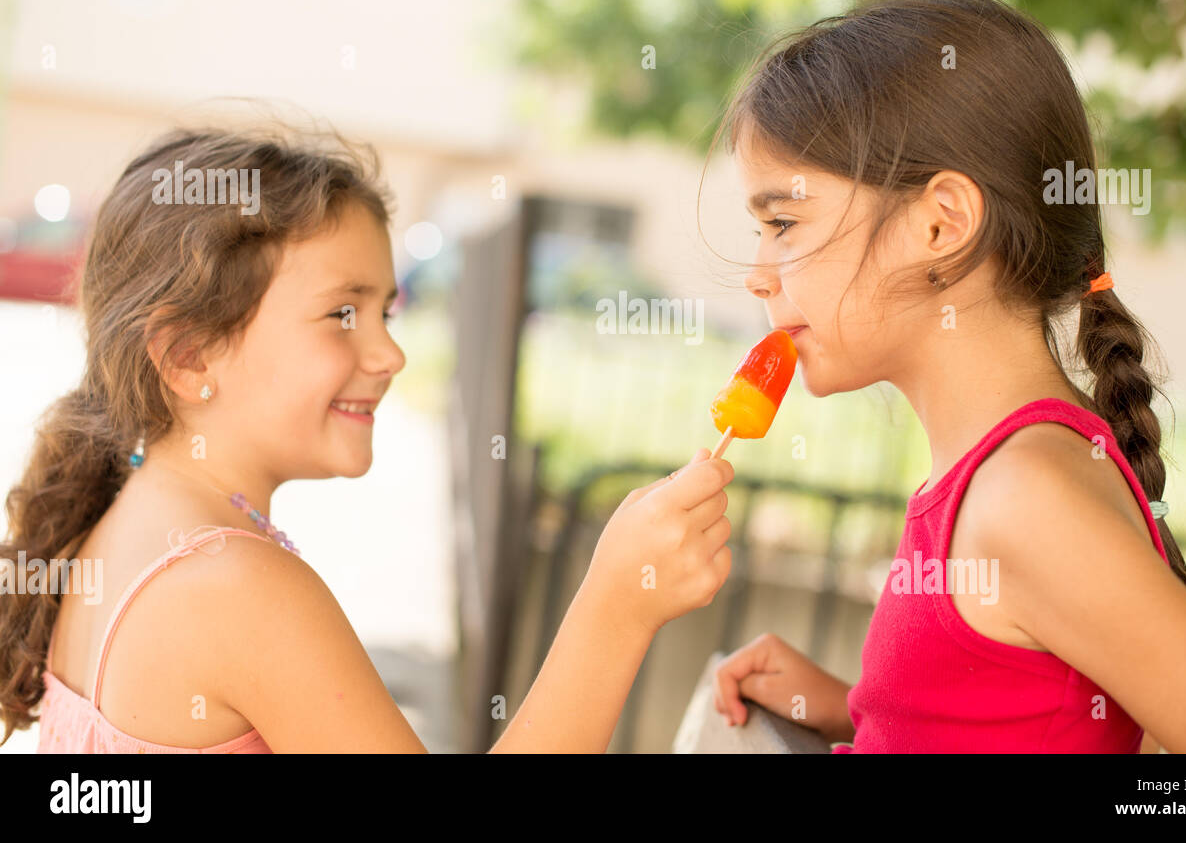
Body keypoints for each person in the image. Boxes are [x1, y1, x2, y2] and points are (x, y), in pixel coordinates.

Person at [0, 123, 732, 753]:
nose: (389, 353)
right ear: (190, 355)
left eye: (387, 310)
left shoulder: (119, 526)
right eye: (343, 315)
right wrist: (617, 605)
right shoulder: (235, 585)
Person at [708, 0, 1186, 752]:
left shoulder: (1024, 501)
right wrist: (851, 709)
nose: (757, 273)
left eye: (783, 222)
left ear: (940, 224)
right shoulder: (987, 478)